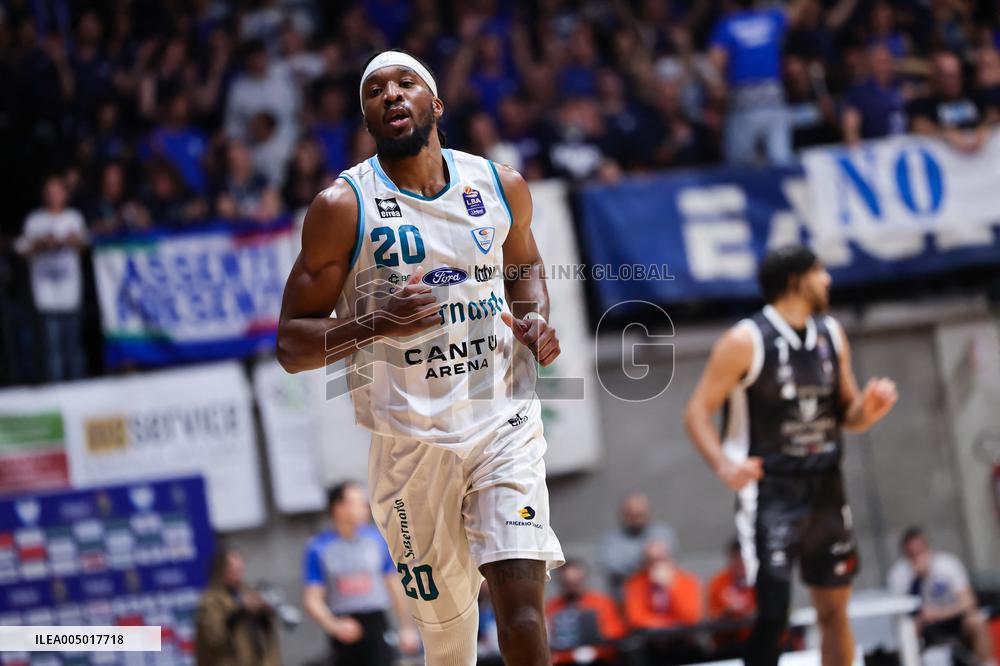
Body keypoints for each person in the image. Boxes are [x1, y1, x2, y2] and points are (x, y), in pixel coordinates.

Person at [277, 49, 564, 666]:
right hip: (410, 446)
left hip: (501, 423)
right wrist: (378, 322)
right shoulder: (341, 207)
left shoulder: (498, 184)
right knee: (450, 643)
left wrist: (536, 315)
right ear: (368, 118)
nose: (390, 94)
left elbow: (526, 268)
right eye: (375, 90)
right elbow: (291, 344)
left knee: (521, 617)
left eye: (405, 82)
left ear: (437, 103)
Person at [685, 244, 899, 666]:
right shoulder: (744, 341)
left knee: (834, 611)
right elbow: (696, 414)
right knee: (773, 616)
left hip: (826, 489)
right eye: (821, 272)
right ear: (797, 280)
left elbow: (848, 414)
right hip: (770, 494)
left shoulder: (832, 334)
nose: (829, 281)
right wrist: (724, 464)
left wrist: (868, 410)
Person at [302, 481, 419, 666]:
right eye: (358, 503)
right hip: (345, 627)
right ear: (338, 508)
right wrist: (334, 625)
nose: (365, 508)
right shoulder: (318, 547)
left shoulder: (377, 540)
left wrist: (407, 627)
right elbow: (312, 599)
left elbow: (394, 585)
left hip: (377, 622)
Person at [15, 175, 88, 382]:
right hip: (46, 295)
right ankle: (58, 394)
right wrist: (41, 244)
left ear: (65, 194)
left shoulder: (74, 217)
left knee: (74, 349)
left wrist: (72, 241)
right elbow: (21, 250)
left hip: (71, 294)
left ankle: (79, 392)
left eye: (58, 191)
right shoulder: (35, 220)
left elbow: (84, 245)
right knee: (52, 351)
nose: (53, 195)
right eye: (49, 191)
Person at [887, 527, 995, 664]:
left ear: (928, 549)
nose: (917, 559)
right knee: (906, 632)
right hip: (923, 627)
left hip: (952, 620)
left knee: (976, 620)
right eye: (911, 555)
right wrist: (916, 579)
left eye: (920, 552)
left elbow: (968, 600)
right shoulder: (899, 575)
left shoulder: (947, 565)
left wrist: (939, 613)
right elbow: (900, 615)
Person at [195, 545, 281, 666]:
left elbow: (265, 635)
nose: (239, 572)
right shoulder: (211, 601)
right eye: (234, 569)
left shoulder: (247, 592)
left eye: (240, 568)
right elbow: (215, 637)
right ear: (222, 571)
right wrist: (241, 610)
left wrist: (264, 613)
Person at [623, 540, 704, 664]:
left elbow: (690, 617)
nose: (656, 565)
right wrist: (668, 623)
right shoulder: (636, 583)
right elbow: (636, 619)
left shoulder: (687, 581)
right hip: (650, 644)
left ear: (670, 559)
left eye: (661, 559)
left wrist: (670, 587)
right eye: (651, 560)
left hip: (681, 641)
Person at [908, 51, 997, 154]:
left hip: (981, 158)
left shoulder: (974, 94)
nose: (953, 81)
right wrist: (945, 133)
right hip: (947, 162)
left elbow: (992, 114)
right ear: (937, 77)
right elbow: (918, 125)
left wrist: (984, 128)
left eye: (956, 75)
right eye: (947, 76)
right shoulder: (927, 101)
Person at [545, 560, 627, 666]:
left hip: (599, 659)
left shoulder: (601, 602)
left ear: (583, 579)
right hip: (564, 661)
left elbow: (615, 632)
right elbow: (548, 641)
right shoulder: (552, 607)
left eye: (576, 582)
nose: (572, 587)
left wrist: (595, 644)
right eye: (568, 583)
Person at [599, 492, 678, 599]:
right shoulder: (611, 540)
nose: (637, 519)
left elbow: (668, 561)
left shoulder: (662, 533)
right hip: (624, 599)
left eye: (640, 514)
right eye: (632, 515)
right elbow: (613, 567)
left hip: (659, 599)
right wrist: (644, 557)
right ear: (623, 514)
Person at [708, 539, 756, 656]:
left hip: (757, 640)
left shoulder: (760, 580)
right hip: (729, 644)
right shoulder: (719, 582)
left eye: (743, 558)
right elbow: (713, 617)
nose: (740, 563)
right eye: (736, 558)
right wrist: (728, 613)